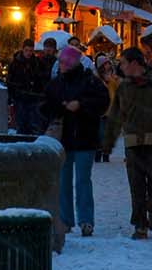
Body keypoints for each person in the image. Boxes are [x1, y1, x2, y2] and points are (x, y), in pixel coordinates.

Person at [102, 47, 152, 239]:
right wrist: (107, 142)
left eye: (123, 63)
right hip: (133, 144)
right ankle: (140, 225)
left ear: (135, 63)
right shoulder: (124, 87)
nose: (120, 67)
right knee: (136, 187)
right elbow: (114, 116)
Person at [42, 46, 109, 236]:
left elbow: (103, 103)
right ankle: (65, 220)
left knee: (82, 180)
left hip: (85, 138)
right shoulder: (56, 84)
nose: (61, 65)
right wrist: (59, 109)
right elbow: (45, 106)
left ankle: (86, 220)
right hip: (63, 139)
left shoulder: (90, 82)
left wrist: (81, 105)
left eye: (64, 62)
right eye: (60, 62)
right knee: (63, 181)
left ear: (72, 63)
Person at [7, 39, 49, 135]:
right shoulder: (15, 63)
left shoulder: (37, 63)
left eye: (31, 51)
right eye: (27, 50)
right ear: (23, 49)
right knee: (22, 124)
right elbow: (10, 81)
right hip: (21, 97)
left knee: (33, 124)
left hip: (33, 97)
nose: (29, 53)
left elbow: (42, 78)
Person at [96, 54, 120, 162]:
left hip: (111, 108)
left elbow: (118, 88)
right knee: (99, 133)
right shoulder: (96, 77)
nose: (108, 65)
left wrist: (112, 80)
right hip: (100, 109)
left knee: (107, 133)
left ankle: (105, 154)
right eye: (105, 64)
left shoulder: (114, 77)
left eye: (108, 63)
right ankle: (98, 153)